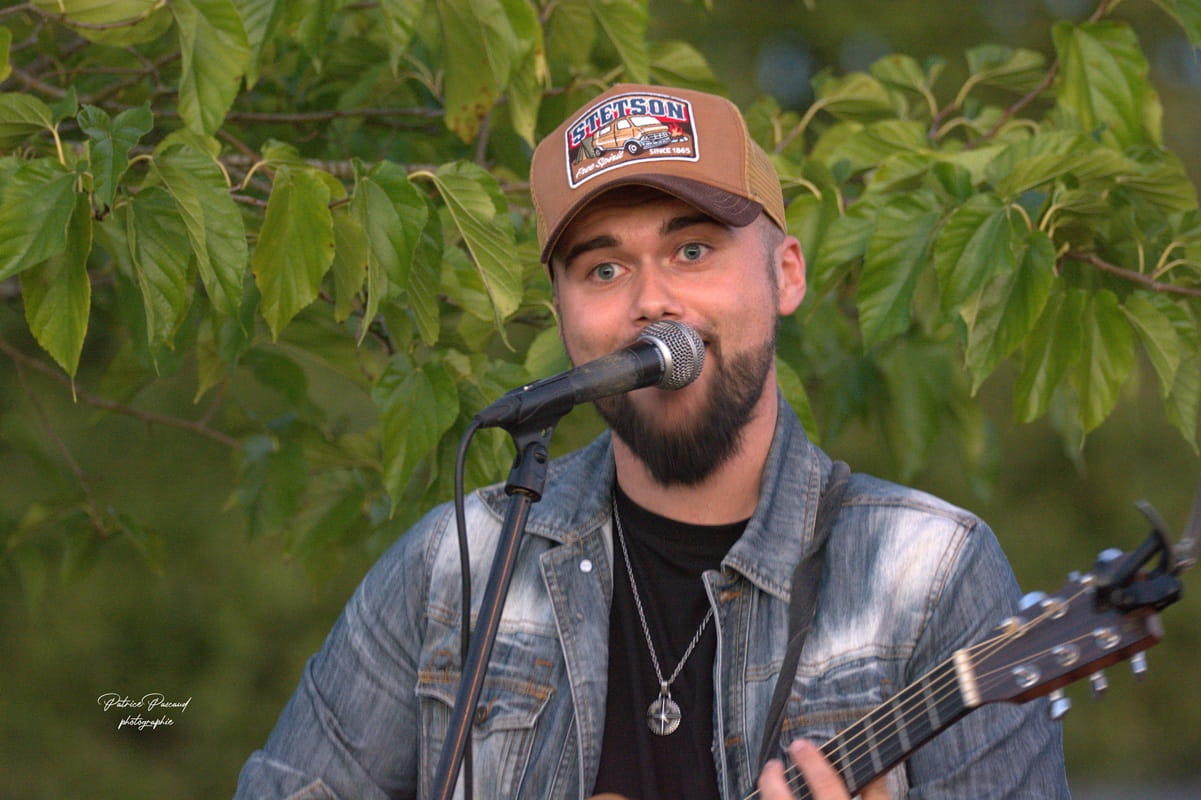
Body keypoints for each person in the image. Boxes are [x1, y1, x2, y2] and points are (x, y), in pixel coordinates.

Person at [235, 83, 1070, 799]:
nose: (650, 301)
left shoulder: (928, 573)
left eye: (692, 249)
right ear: (562, 315)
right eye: (603, 269)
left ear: (785, 273)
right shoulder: (459, 565)